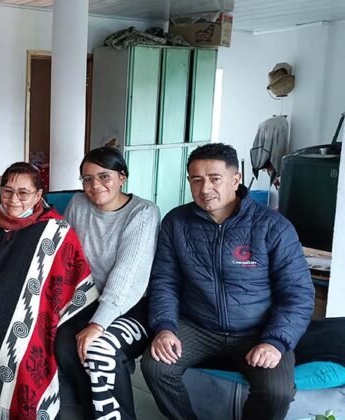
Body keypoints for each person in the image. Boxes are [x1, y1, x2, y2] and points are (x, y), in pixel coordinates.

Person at [141, 143, 315, 420]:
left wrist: (275, 341)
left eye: (214, 178)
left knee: (277, 391)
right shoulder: (177, 222)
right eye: (196, 180)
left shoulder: (272, 226)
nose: (205, 188)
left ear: (236, 179)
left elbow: (298, 293)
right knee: (155, 367)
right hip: (199, 326)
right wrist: (164, 328)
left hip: (257, 330)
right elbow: (165, 281)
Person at [0, 162, 97, 420]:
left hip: (35, 315)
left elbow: (69, 280)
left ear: (38, 195)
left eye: (23, 193)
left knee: (23, 353)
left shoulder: (56, 231)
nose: (13, 199)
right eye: (7, 191)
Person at [55, 147, 160, 420]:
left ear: (121, 177)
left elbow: (127, 277)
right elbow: (62, 255)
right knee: (65, 345)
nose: (95, 185)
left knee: (100, 351)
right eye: (87, 179)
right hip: (85, 301)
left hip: (131, 305)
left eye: (104, 176)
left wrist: (97, 325)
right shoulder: (78, 204)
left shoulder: (144, 212)